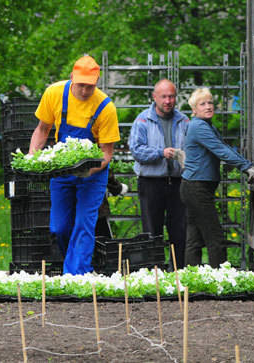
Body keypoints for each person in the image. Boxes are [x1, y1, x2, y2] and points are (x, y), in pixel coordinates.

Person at [29, 55, 120, 275]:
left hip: (93, 173)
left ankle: (77, 275)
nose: (85, 91)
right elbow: (42, 129)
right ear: (72, 77)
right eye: (81, 85)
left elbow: (106, 154)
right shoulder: (55, 93)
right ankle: (75, 265)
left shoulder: (106, 107)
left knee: (84, 223)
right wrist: (33, 157)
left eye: (90, 86)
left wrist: (85, 170)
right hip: (62, 169)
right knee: (59, 227)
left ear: (96, 82)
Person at [180, 88, 254, 267]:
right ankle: (220, 279)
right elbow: (221, 150)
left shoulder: (206, 126)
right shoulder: (199, 126)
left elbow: (222, 148)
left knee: (195, 238)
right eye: (202, 104)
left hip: (194, 187)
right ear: (194, 110)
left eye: (210, 103)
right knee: (214, 237)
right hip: (196, 188)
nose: (208, 107)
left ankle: (191, 280)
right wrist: (246, 167)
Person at [128, 79, 188, 270]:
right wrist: (160, 153)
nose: (168, 101)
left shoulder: (184, 120)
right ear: (154, 97)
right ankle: (155, 272)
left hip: (178, 182)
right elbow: (136, 150)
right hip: (150, 182)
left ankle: (179, 272)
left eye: (171, 96)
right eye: (164, 97)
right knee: (152, 231)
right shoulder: (143, 120)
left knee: (180, 230)